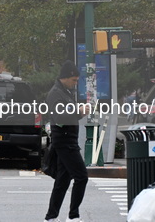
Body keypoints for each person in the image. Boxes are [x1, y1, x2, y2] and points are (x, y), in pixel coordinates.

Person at [44, 60, 90, 222]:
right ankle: (73, 216)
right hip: (65, 141)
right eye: (74, 80)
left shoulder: (64, 92)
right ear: (65, 77)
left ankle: (51, 217)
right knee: (81, 177)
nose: (76, 83)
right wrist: (79, 112)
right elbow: (60, 117)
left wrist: (77, 110)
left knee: (62, 181)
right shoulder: (56, 93)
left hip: (67, 140)